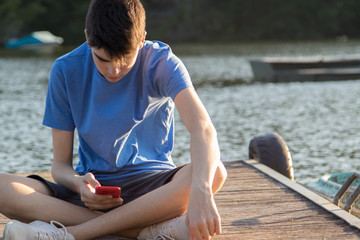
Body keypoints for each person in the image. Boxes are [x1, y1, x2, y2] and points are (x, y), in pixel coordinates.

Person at [0, 0, 227, 239]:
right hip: (93, 193)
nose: (113, 71)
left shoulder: (162, 62)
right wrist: (79, 184)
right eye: (103, 60)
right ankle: (151, 231)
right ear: (88, 37)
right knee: (3, 188)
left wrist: (202, 191)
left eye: (124, 61)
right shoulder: (65, 70)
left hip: (153, 190)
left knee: (215, 172)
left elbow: (203, 128)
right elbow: (60, 166)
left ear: (142, 40)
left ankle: (71, 234)